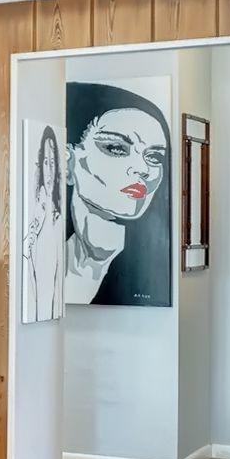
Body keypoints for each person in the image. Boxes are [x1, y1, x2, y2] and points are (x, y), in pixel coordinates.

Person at [64, 85, 172, 304]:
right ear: (68, 162)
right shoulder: (42, 262)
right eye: (116, 148)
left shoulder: (149, 270)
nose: (142, 169)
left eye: (154, 157)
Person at [22, 122, 66, 320]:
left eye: (53, 162)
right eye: (46, 162)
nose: (50, 170)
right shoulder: (36, 210)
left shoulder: (58, 216)